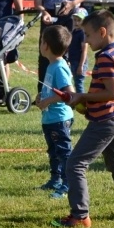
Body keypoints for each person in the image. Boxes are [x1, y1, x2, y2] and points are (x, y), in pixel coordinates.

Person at [52, 10, 114, 228]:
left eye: (87, 35)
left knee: (75, 163)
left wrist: (83, 96)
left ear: (103, 32)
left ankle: (79, 216)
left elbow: (111, 92)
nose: (85, 40)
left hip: (106, 119)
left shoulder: (105, 57)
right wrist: (84, 102)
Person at [33, 0, 92, 91]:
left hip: (71, 13)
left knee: (70, 51)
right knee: (45, 52)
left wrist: (73, 3)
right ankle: (43, 92)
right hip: (50, 14)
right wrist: (44, 12)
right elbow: (38, 3)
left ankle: (69, 91)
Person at [35, 25, 75, 200]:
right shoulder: (52, 65)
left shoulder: (59, 67)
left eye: (42, 40)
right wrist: (41, 96)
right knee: (53, 151)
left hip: (59, 119)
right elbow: (53, 89)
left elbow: (69, 93)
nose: (40, 43)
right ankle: (55, 179)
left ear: (46, 46)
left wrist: (47, 101)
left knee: (63, 152)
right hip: (50, 118)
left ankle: (67, 184)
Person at [69, 8, 90, 93]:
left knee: (79, 83)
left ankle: (81, 104)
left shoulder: (82, 34)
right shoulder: (74, 31)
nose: (76, 22)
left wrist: (81, 65)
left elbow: (84, 50)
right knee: (73, 82)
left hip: (79, 63)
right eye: (75, 20)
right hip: (73, 61)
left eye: (79, 20)